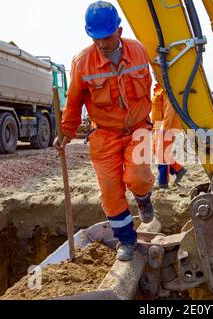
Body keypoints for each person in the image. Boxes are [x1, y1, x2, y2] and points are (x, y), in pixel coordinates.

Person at [55, 1, 155, 262]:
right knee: (110, 192)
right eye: (95, 38)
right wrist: (66, 131)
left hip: (138, 129)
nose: (101, 44)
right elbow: (74, 99)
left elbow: (151, 84)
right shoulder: (82, 62)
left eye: (106, 37)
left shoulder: (139, 51)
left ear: (119, 31)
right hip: (104, 134)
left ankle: (144, 199)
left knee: (139, 176)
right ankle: (127, 240)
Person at [152, 82, 187, 188]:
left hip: (166, 127)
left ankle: (163, 182)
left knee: (162, 154)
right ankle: (178, 169)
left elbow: (169, 109)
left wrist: (165, 128)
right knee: (156, 150)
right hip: (157, 126)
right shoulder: (158, 89)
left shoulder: (166, 89)